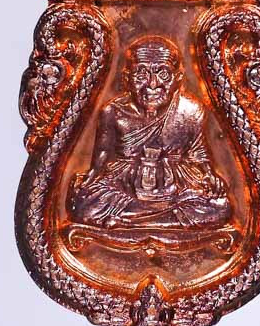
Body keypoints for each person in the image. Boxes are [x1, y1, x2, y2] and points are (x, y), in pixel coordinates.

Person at [68, 36, 232, 229]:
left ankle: (132, 221)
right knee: (83, 204)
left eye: (163, 74)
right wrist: (91, 177)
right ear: (127, 79)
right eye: (141, 74)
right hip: (125, 183)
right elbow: (102, 157)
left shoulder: (190, 110)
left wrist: (210, 176)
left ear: (178, 79)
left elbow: (198, 154)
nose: (152, 84)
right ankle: (166, 220)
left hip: (176, 184)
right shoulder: (112, 112)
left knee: (220, 206)